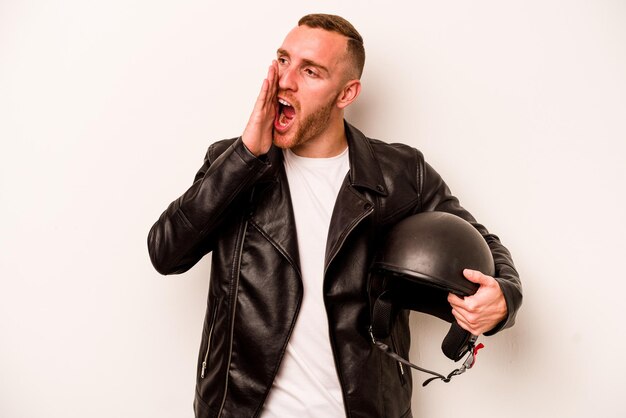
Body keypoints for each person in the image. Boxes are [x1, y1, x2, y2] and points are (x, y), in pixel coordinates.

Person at [147, 13, 522, 418]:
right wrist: (244, 158)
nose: (286, 80)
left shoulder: (399, 174)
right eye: (284, 60)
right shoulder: (230, 162)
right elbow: (166, 253)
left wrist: (503, 298)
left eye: (311, 71)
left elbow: (484, 245)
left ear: (346, 93)